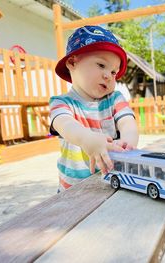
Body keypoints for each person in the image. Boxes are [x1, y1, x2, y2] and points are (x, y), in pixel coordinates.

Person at [49, 26, 139, 192]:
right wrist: (87, 139)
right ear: (72, 62)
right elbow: (66, 124)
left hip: (112, 182)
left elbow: (128, 123)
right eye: (101, 65)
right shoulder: (61, 103)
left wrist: (128, 144)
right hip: (73, 190)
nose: (108, 75)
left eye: (114, 72)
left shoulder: (114, 99)